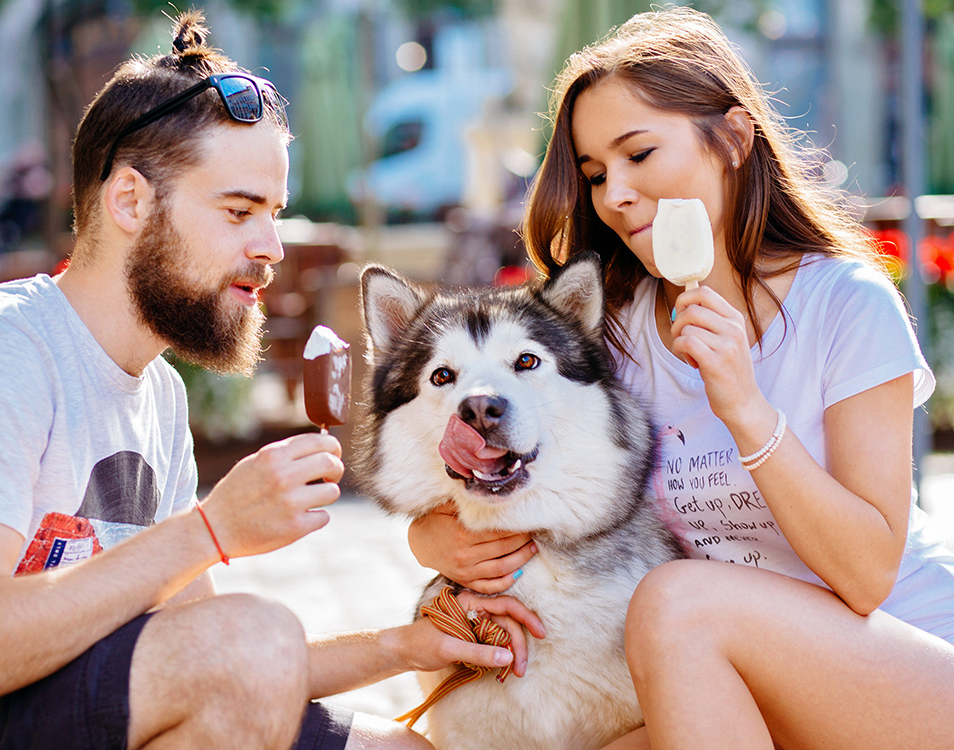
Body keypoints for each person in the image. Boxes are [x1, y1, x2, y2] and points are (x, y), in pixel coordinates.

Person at [0, 12, 543, 750]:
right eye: (239, 211)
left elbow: (202, 653)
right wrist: (212, 530)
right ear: (130, 201)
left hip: (106, 708)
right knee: (251, 635)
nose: (269, 248)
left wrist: (405, 646)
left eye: (273, 214)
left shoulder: (156, 393)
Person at [407, 7, 954, 749]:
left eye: (640, 154)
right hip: (736, 673)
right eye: (597, 174)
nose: (616, 195)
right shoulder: (617, 336)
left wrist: (746, 409)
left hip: (906, 662)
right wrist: (429, 542)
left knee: (676, 599)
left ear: (732, 138)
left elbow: (866, 577)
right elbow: (516, 478)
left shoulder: (845, 302)